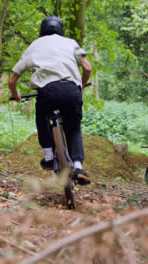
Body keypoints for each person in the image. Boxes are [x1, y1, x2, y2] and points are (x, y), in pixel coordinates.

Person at [8, 16, 92, 185]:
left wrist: (16, 95)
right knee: (73, 128)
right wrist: (81, 85)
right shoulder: (70, 43)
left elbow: (12, 80)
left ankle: (48, 156)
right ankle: (78, 166)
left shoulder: (35, 45)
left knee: (42, 116)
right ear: (60, 29)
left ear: (42, 30)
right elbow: (87, 67)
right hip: (71, 90)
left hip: (48, 91)